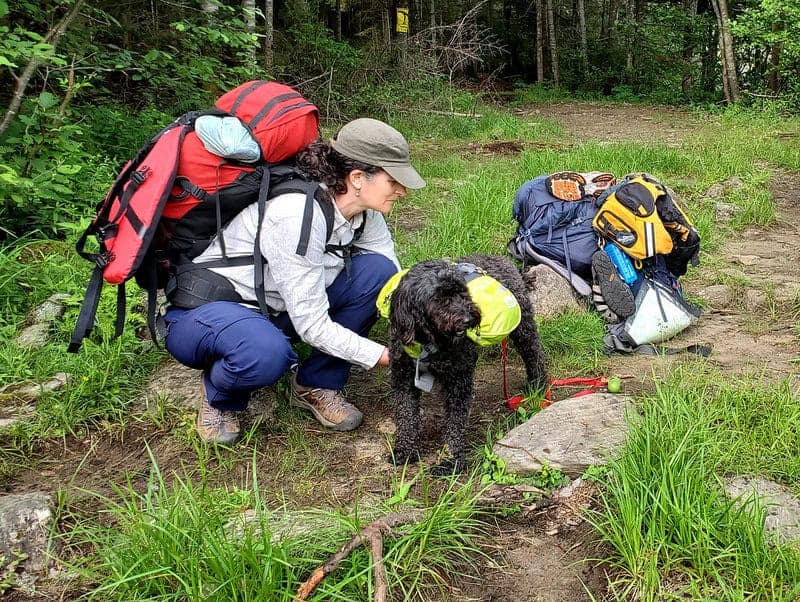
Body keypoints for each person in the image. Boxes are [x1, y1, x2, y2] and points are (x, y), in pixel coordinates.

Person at [161, 118, 426, 444]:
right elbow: (312, 326)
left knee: (378, 273)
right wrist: (389, 356)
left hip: (274, 306)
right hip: (210, 312)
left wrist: (424, 319)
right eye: (393, 181)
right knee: (265, 353)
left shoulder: (363, 212)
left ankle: (316, 382)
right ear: (357, 178)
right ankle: (219, 394)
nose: (402, 191)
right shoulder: (296, 214)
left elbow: (393, 280)